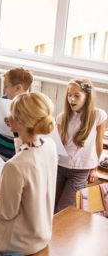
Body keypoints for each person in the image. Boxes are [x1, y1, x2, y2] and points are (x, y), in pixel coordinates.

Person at [0, 92, 58, 256]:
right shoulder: (49, 145)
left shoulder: (15, 166)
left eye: (11, 112)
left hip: (18, 242)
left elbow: (6, 212)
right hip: (42, 232)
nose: (8, 116)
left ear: (21, 121)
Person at [55, 78, 107, 212]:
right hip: (60, 166)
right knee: (50, 203)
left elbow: (98, 143)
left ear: (87, 96)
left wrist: (94, 168)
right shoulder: (62, 117)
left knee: (63, 208)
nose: (71, 99)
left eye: (76, 96)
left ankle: (59, 232)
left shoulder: (98, 116)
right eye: (69, 95)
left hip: (80, 170)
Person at [0, 67, 33, 160]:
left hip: (11, 158)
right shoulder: (4, 99)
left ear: (18, 88)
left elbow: (30, 139)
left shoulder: (31, 109)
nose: (4, 90)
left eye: (6, 86)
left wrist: (15, 125)